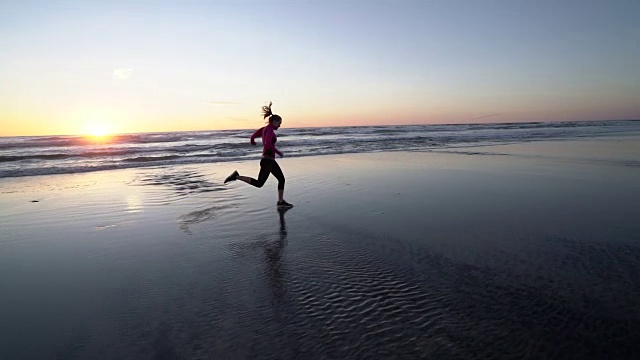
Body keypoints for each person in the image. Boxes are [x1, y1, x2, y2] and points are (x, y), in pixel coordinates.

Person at [224, 102, 293, 208]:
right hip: (269, 160)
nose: (280, 125)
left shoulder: (266, 128)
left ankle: (236, 176)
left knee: (259, 183)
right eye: (279, 122)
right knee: (281, 179)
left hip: (266, 160)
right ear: (274, 122)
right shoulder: (269, 130)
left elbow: (255, 134)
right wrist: (277, 152)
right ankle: (280, 201)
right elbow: (268, 144)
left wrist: (252, 139)